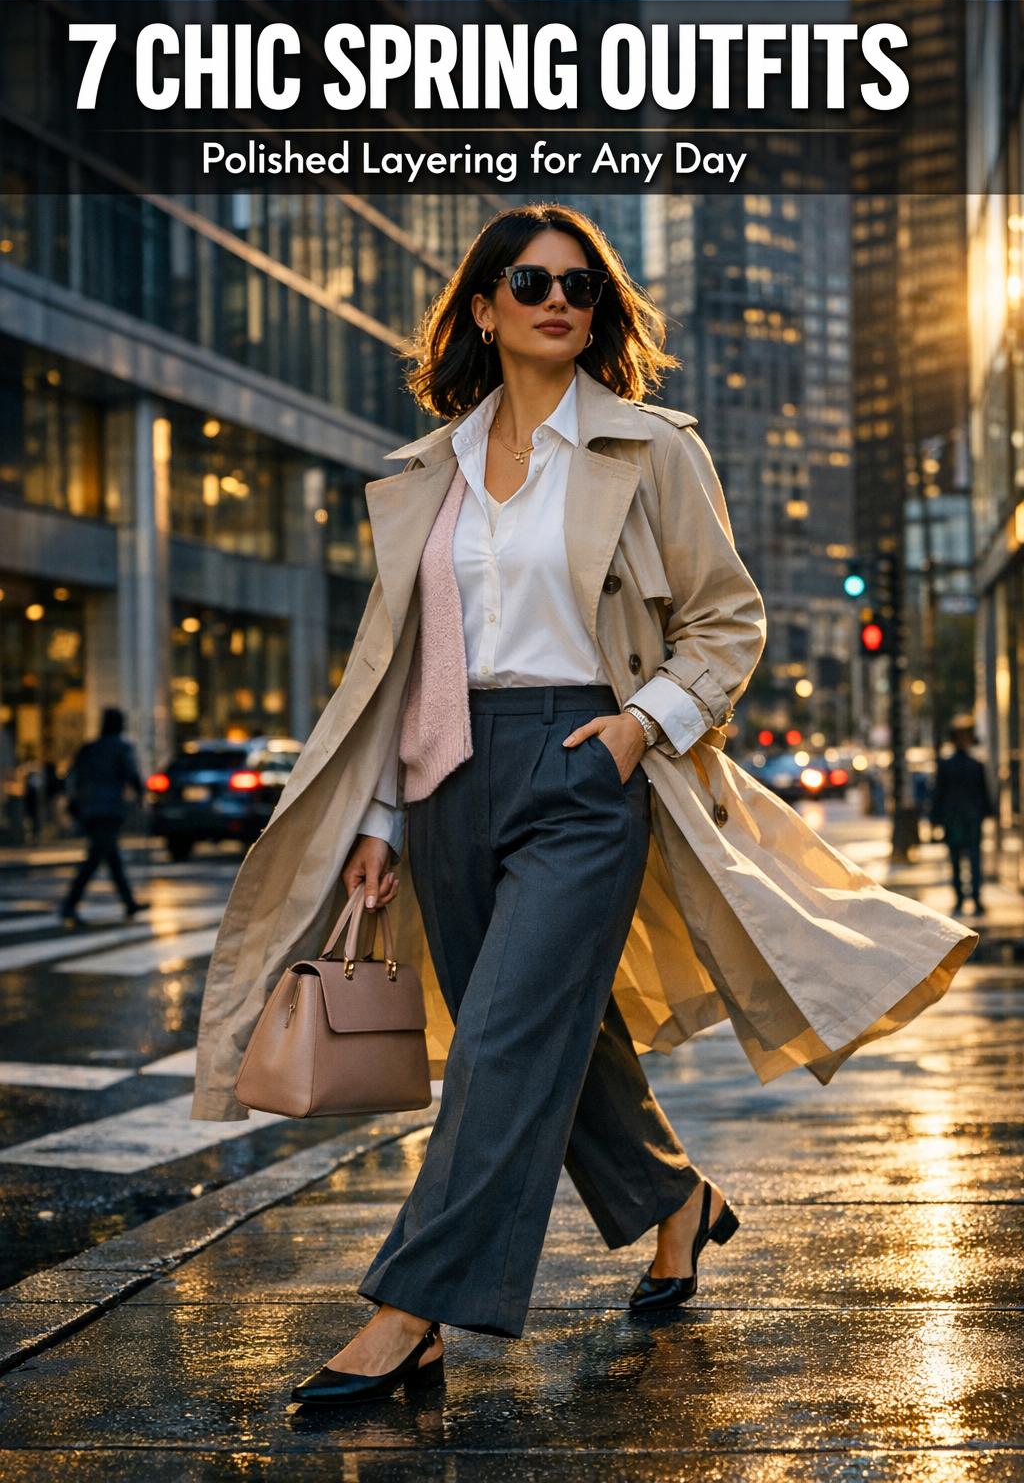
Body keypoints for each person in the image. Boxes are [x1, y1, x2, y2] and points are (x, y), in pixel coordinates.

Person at [190, 203, 978, 1406]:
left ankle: (412, 1305)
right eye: (530, 280)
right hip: (447, 775)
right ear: (484, 307)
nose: (559, 299)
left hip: (582, 766)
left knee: (504, 1040)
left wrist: (634, 728)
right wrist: (384, 821)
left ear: (599, 312)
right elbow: (407, 660)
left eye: (582, 286)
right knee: (560, 1033)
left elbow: (728, 617)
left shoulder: (650, 449)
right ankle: (675, 1199)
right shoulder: (428, 471)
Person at [59, 707, 149, 928]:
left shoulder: (89, 748)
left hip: (89, 810)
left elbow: (72, 776)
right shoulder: (121, 748)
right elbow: (131, 774)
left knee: (108, 856)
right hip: (108, 809)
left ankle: (128, 902)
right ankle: (69, 904)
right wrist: (140, 794)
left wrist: (75, 803)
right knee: (97, 857)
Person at [930, 716, 994, 916]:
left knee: (958, 860)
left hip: (955, 818)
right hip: (969, 818)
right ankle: (973, 898)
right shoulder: (975, 764)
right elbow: (983, 794)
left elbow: (938, 794)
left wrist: (936, 819)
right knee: (972, 859)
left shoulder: (947, 764)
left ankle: (962, 898)